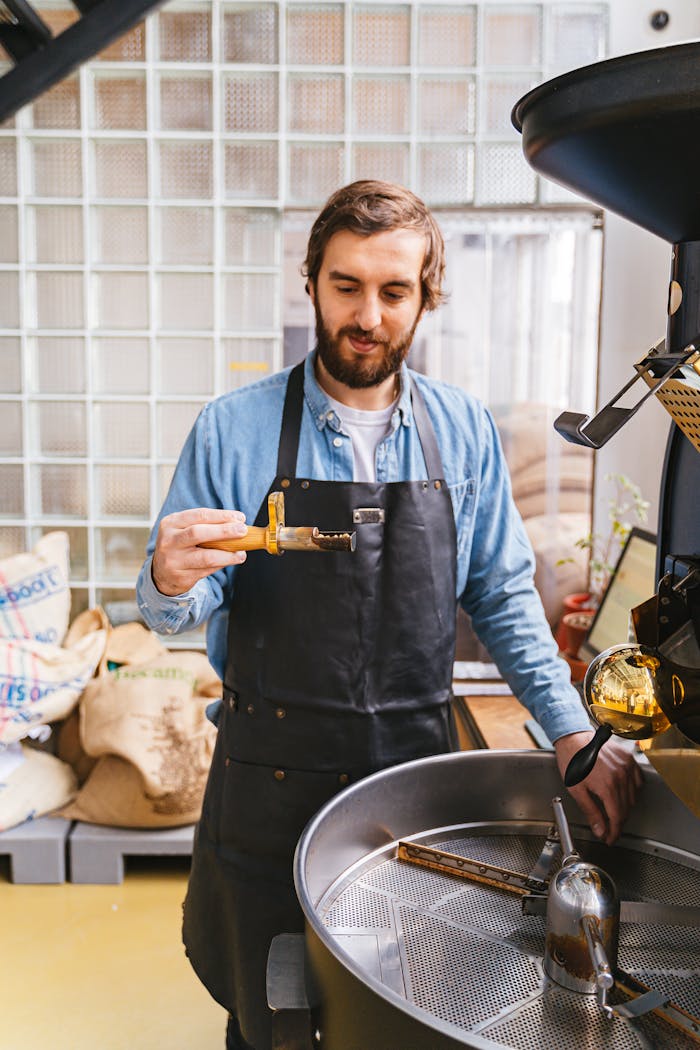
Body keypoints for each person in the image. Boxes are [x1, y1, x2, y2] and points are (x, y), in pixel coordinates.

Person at [136, 180, 641, 1049]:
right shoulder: (233, 429)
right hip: (268, 788)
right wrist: (167, 578)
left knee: (405, 1016)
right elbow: (185, 608)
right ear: (313, 284)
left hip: (410, 790)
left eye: (393, 291)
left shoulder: (463, 431)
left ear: (424, 298)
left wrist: (569, 730)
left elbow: (502, 593)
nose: (367, 315)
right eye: (347, 287)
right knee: (272, 1020)